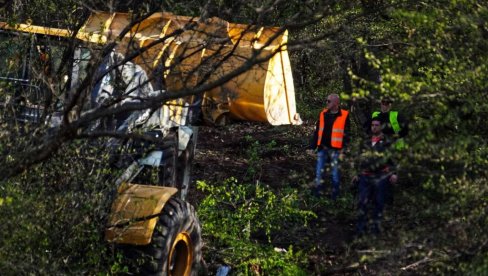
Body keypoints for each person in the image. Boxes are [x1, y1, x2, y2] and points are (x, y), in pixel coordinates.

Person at [354, 118, 398, 235]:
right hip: (365, 176)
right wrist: (356, 173)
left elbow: (393, 159)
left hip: (381, 176)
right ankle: (360, 229)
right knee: (362, 202)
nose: (374, 127)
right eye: (372, 125)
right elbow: (360, 158)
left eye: (376, 125)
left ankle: (375, 229)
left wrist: (394, 173)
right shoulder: (366, 141)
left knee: (379, 202)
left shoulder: (387, 142)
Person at [310, 93, 350, 200]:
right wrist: (312, 147)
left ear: (336, 102)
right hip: (322, 148)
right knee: (319, 173)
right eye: (326, 100)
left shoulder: (344, 115)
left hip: (336, 150)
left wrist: (344, 150)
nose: (326, 103)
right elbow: (317, 131)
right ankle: (318, 196)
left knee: (335, 174)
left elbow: (346, 135)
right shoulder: (323, 113)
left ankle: (335, 197)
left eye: (329, 101)